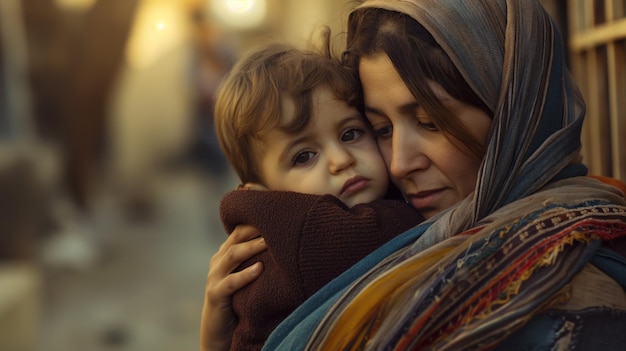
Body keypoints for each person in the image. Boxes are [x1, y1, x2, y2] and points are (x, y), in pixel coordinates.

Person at [203, 0, 626, 350]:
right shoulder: (412, 242)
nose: (399, 163)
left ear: (513, 111)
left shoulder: (565, 302)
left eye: (429, 121)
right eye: (382, 130)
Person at [201, 42, 423, 351]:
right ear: (266, 194)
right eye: (304, 156)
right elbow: (405, 230)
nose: (341, 159)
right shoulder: (308, 234)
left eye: (350, 134)